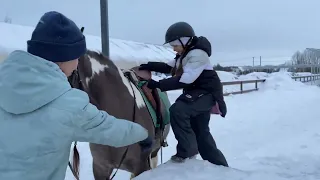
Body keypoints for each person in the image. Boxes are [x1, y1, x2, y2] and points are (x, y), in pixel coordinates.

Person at [0, 11, 152, 180]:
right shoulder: (68, 105)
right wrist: (143, 134)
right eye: (76, 57)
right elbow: (111, 129)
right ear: (63, 58)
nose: (78, 63)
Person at [139, 21, 229, 166]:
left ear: (185, 41)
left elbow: (186, 79)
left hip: (207, 93)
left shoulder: (198, 54)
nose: (174, 49)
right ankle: (220, 167)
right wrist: (149, 65)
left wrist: (158, 84)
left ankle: (187, 151)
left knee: (178, 110)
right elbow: (169, 67)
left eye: (175, 45)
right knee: (201, 132)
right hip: (197, 93)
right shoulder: (185, 54)